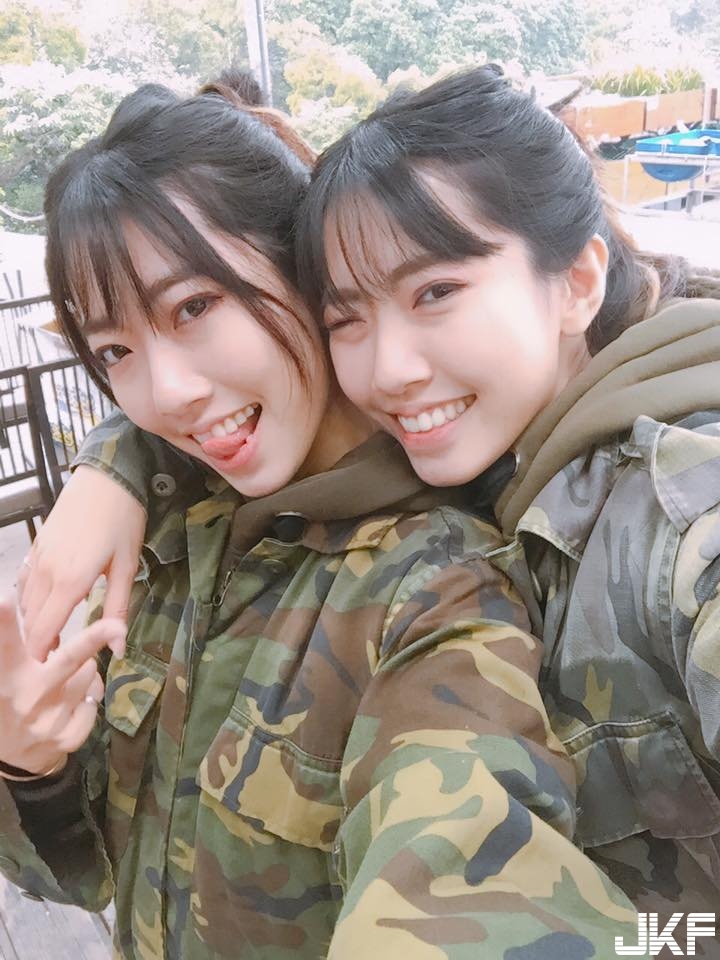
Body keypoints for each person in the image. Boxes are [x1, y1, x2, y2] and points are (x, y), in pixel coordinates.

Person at [0, 76, 642, 959]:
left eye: (195, 307)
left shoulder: (435, 585)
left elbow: (465, 877)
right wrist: (29, 763)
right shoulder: (173, 534)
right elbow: (93, 874)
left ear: (309, 276)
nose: (165, 394)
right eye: (116, 351)